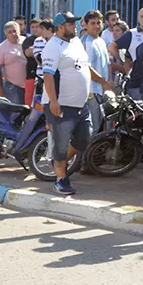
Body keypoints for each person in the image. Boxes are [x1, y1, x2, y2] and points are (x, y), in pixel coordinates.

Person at [41, 12, 93, 195]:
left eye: (74, 22)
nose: (75, 25)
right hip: (61, 104)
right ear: (60, 27)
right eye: (70, 23)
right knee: (61, 143)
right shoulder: (52, 46)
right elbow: (48, 76)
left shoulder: (76, 42)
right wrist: (54, 101)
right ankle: (60, 179)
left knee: (85, 138)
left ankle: (58, 161)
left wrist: (102, 81)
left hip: (81, 104)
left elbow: (85, 66)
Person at [81, 11, 116, 130]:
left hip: (103, 90)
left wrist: (110, 80)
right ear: (85, 25)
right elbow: (87, 68)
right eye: (92, 23)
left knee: (103, 126)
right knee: (94, 127)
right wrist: (104, 82)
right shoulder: (87, 42)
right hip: (92, 91)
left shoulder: (100, 41)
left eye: (98, 23)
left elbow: (108, 63)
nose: (96, 26)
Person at [0, 21, 28, 104]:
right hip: (13, 87)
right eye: (10, 32)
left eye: (15, 31)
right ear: (6, 34)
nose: (13, 34)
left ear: (19, 31)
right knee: (16, 113)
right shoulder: (1, 48)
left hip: (30, 85)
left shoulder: (26, 41)